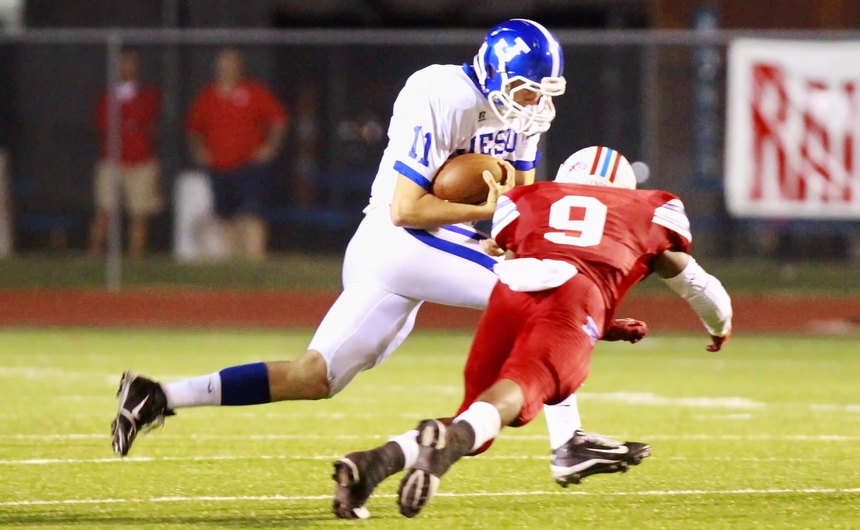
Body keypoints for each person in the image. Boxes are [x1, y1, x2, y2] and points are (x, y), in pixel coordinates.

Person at [111, 20, 647, 493]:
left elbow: (518, 206)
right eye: (526, 92)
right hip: (395, 242)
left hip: (420, 250)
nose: (534, 106)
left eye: (541, 95)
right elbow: (405, 208)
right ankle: (568, 443)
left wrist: (500, 236)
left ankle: (157, 395)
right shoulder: (442, 92)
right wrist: (488, 217)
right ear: (495, 73)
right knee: (541, 292)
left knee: (315, 376)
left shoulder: (517, 117)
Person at [331, 145, 733, 519]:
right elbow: (698, 285)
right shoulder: (651, 208)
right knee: (519, 394)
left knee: (479, 416)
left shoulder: (528, 200)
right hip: (575, 297)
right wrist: (720, 327)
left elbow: (535, 270)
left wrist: (601, 326)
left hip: (510, 292)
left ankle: (371, 464)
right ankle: (448, 450)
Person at [186, 47, 287, 260]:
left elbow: (278, 119)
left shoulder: (253, 92)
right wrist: (199, 151)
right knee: (225, 216)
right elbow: (194, 129)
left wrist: (270, 147)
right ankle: (230, 261)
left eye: (232, 63)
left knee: (252, 214)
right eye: (223, 63)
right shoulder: (208, 95)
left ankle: (254, 259)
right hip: (219, 165)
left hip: (248, 165)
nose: (227, 68)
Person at [88, 48, 162, 258]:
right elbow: (103, 125)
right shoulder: (107, 96)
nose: (126, 67)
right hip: (111, 160)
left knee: (139, 213)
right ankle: (94, 253)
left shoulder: (148, 94)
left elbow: (148, 121)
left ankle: (135, 256)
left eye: (130, 63)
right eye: (122, 63)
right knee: (104, 210)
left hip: (141, 160)